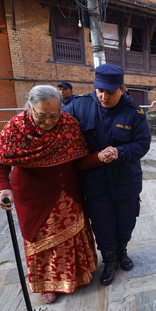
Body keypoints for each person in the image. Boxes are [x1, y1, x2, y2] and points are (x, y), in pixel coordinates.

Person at [0, 85, 106, 304]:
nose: (49, 121)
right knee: (44, 241)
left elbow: (80, 160)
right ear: (30, 107)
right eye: (41, 116)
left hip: (68, 191)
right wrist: (3, 189)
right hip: (33, 196)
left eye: (54, 115)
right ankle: (47, 284)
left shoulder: (69, 124)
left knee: (73, 236)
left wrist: (100, 157)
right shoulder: (16, 128)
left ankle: (78, 275)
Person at [64, 63, 151, 286]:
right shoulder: (78, 106)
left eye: (110, 92)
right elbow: (57, 126)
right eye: (100, 90)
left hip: (126, 180)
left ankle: (122, 251)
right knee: (102, 224)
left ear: (122, 88)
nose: (103, 96)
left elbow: (142, 144)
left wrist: (120, 151)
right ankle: (109, 259)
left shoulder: (134, 113)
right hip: (95, 182)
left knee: (126, 222)